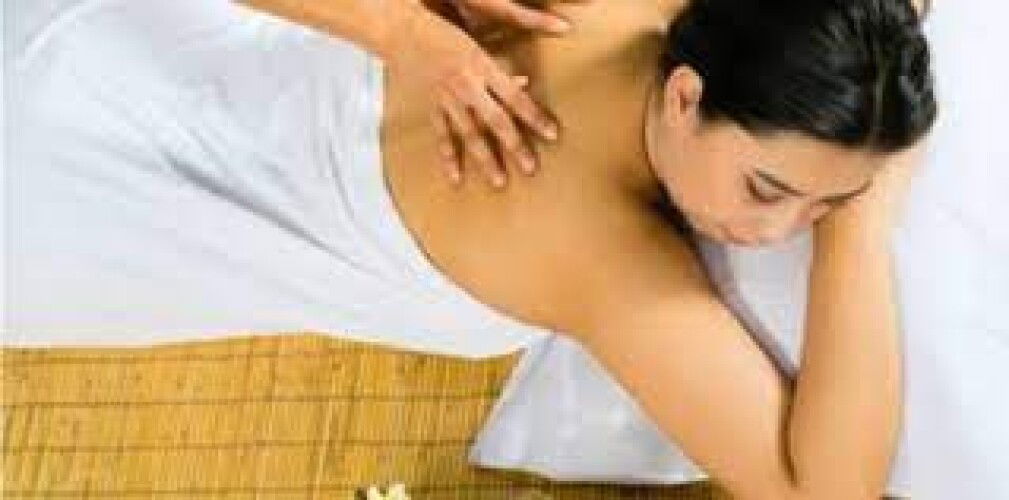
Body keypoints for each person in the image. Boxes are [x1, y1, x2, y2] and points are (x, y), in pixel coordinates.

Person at [7, 0, 935, 498]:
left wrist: (400, 29)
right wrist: (859, 229)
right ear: (686, 96)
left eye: (822, 208)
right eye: (765, 189)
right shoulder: (592, 248)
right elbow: (827, 491)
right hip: (83, 191)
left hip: (117, 45)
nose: (774, 232)